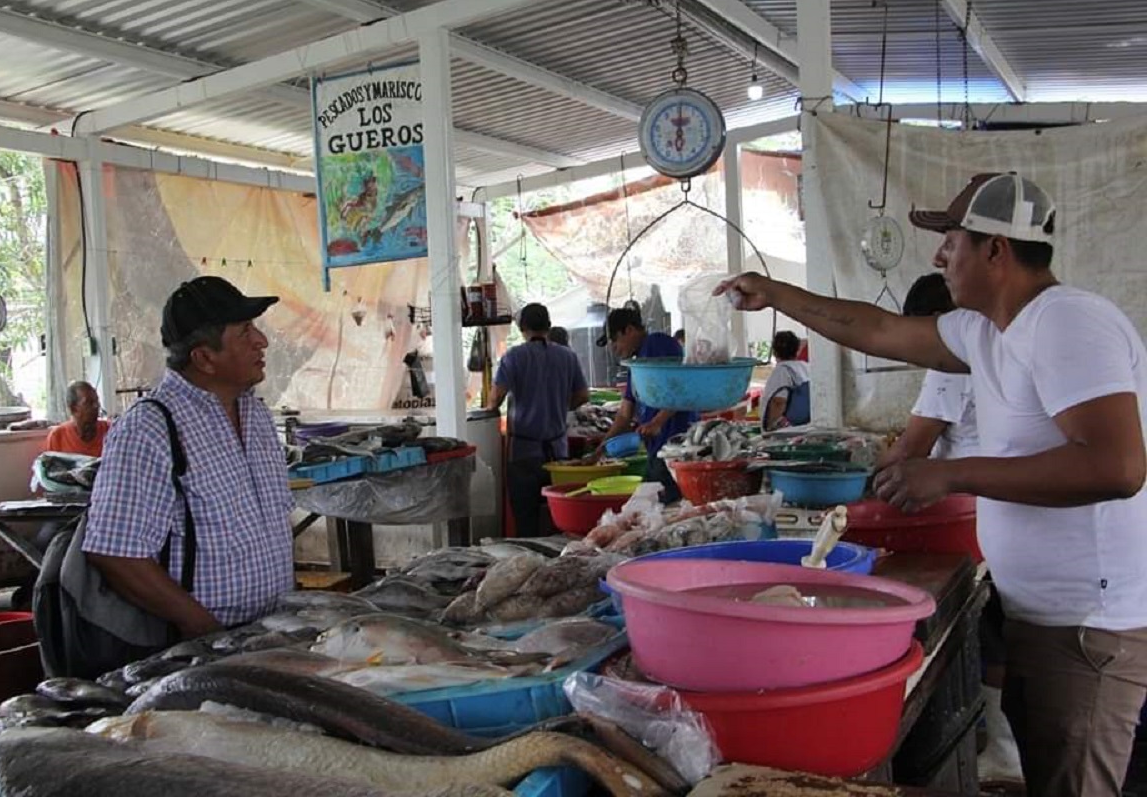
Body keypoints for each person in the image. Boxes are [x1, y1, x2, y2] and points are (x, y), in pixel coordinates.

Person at [716, 172, 1147, 797]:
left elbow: (1117, 466)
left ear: (995, 250)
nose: (940, 256)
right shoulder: (987, 331)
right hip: (1043, 616)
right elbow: (877, 329)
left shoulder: (1067, 321)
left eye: (952, 240)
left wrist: (949, 473)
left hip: (1087, 630)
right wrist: (777, 294)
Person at [83, 276, 294, 638]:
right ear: (204, 358)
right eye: (245, 332)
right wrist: (201, 626)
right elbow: (116, 552)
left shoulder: (255, 415)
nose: (262, 340)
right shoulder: (149, 429)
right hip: (208, 643)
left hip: (273, 629)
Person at [879, 273, 1020, 785]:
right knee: (1002, 627)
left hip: (971, 518)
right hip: (1004, 510)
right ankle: (1009, 746)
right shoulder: (999, 346)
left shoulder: (952, 363)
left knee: (991, 632)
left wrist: (868, 477)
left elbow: (911, 448)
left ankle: (1006, 753)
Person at [489, 303, 589, 537]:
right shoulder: (567, 356)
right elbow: (583, 395)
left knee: (527, 521)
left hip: (523, 453)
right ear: (549, 326)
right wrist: (558, 406)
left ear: (522, 328)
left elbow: (495, 399)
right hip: (558, 453)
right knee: (558, 520)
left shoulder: (513, 357)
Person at [591, 308, 696, 503]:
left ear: (629, 330)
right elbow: (624, 415)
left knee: (655, 506)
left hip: (676, 447)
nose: (614, 348)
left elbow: (682, 386)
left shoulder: (657, 343)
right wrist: (599, 450)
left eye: (615, 340)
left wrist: (657, 422)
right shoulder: (636, 364)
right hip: (657, 450)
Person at [879, 273, 980, 463]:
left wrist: (869, 477)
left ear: (937, 320)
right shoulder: (982, 346)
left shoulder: (950, 367)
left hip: (965, 476)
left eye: (914, 331)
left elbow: (910, 450)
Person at [761, 330, 811, 431]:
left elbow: (778, 402)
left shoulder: (782, 370)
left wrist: (771, 428)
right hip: (804, 425)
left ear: (774, 352)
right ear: (797, 349)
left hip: (787, 430)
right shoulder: (806, 367)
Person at [45, 381, 110, 457]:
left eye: (96, 401)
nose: (96, 406)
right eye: (89, 402)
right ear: (73, 409)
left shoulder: (109, 430)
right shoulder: (57, 437)